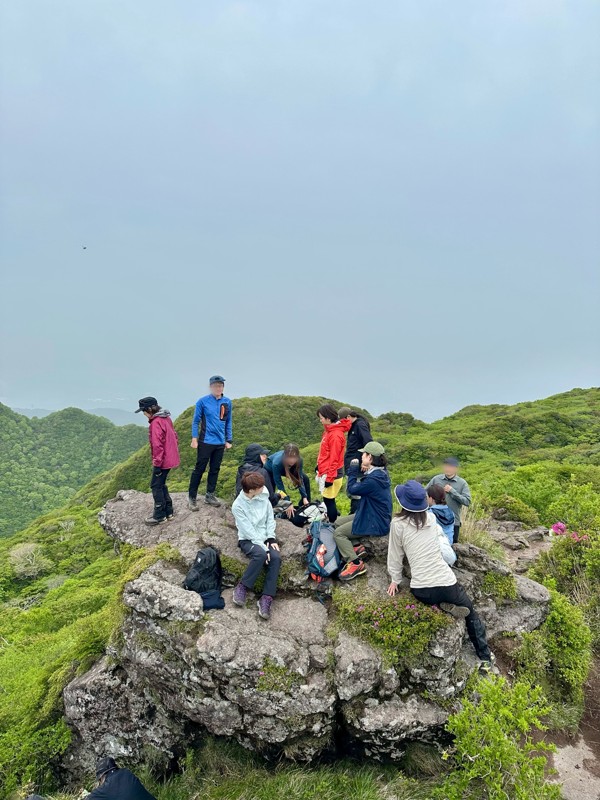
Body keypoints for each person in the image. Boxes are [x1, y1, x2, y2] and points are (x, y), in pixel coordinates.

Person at [387, 480, 494, 670]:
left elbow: (395, 554)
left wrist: (395, 579)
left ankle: (439, 605)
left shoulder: (397, 524)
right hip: (447, 583)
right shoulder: (431, 519)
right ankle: (485, 657)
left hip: (422, 591)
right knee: (471, 613)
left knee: (427, 594)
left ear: (403, 502)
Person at [334, 441, 392, 581]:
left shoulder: (374, 480)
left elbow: (352, 490)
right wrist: (366, 469)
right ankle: (357, 548)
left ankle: (355, 563)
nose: (361, 457)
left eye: (364, 454)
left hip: (374, 521)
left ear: (370, 457)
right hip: (371, 513)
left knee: (338, 534)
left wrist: (353, 470)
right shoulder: (380, 473)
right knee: (337, 522)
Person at [231, 472, 281, 620]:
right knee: (260, 555)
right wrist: (264, 548)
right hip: (248, 539)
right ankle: (242, 587)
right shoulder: (238, 506)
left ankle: (266, 597)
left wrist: (271, 539)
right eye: (260, 486)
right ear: (251, 490)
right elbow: (248, 531)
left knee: (276, 558)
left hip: (265, 537)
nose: (263, 488)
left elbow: (269, 518)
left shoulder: (263, 496)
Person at [188, 375, 232, 509]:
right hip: (206, 441)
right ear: (210, 387)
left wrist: (228, 439)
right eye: (215, 386)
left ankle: (209, 495)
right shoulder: (202, 402)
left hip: (220, 442)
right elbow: (195, 421)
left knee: (215, 469)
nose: (218, 388)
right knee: (199, 469)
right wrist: (194, 439)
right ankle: (192, 497)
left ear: (223, 387)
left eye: (220, 385)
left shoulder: (227, 402)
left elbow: (228, 421)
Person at [135, 397, 180, 526]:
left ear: (149, 409)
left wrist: (157, 464)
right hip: (171, 457)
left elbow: (157, 445)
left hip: (163, 460)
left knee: (155, 485)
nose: (143, 414)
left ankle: (159, 515)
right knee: (161, 483)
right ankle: (169, 511)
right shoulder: (166, 418)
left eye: (144, 410)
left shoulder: (156, 423)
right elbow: (175, 437)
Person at [316, 404, 351, 523]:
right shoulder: (329, 431)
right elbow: (325, 453)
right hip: (327, 470)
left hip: (333, 473)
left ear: (328, 418)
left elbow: (335, 459)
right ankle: (333, 520)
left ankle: (332, 524)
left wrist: (330, 478)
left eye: (321, 418)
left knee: (329, 500)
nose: (320, 420)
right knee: (328, 499)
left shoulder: (335, 435)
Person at [426, 458, 471, 542]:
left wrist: (452, 491)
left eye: (450, 466)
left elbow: (467, 501)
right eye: (446, 466)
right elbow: (425, 494)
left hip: (453, 523)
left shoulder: (462, 483)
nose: (448, 469)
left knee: (451, 549)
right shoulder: (436, 479)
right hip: (434, 520)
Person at [338, 407, 373, 514]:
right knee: (352, 492)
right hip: (353, 465)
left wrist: (365, 462)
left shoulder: (359, 425)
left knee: (356, 493)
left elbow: (369, 442)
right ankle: (355, 515)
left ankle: (355, 516)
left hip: (358, 466)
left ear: (348, 417)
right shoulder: (353, 425)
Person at [265, 444, 311, 523]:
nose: (292, 460)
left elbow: (300, 479)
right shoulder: (277, 463)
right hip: (270, 468)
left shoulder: (299, 460)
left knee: (306, 479)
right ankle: (271, 512)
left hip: (288, 467)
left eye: (294, 457)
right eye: (289, 457)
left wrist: (304, 497)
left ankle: (303, 506)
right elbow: (280, 486)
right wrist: (288, 503)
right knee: (270, 491)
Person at [86, 756, 157, 799]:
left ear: (102, 776)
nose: (100, 783)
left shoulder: (106, 788)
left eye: (99, 781)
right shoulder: (127, 773)